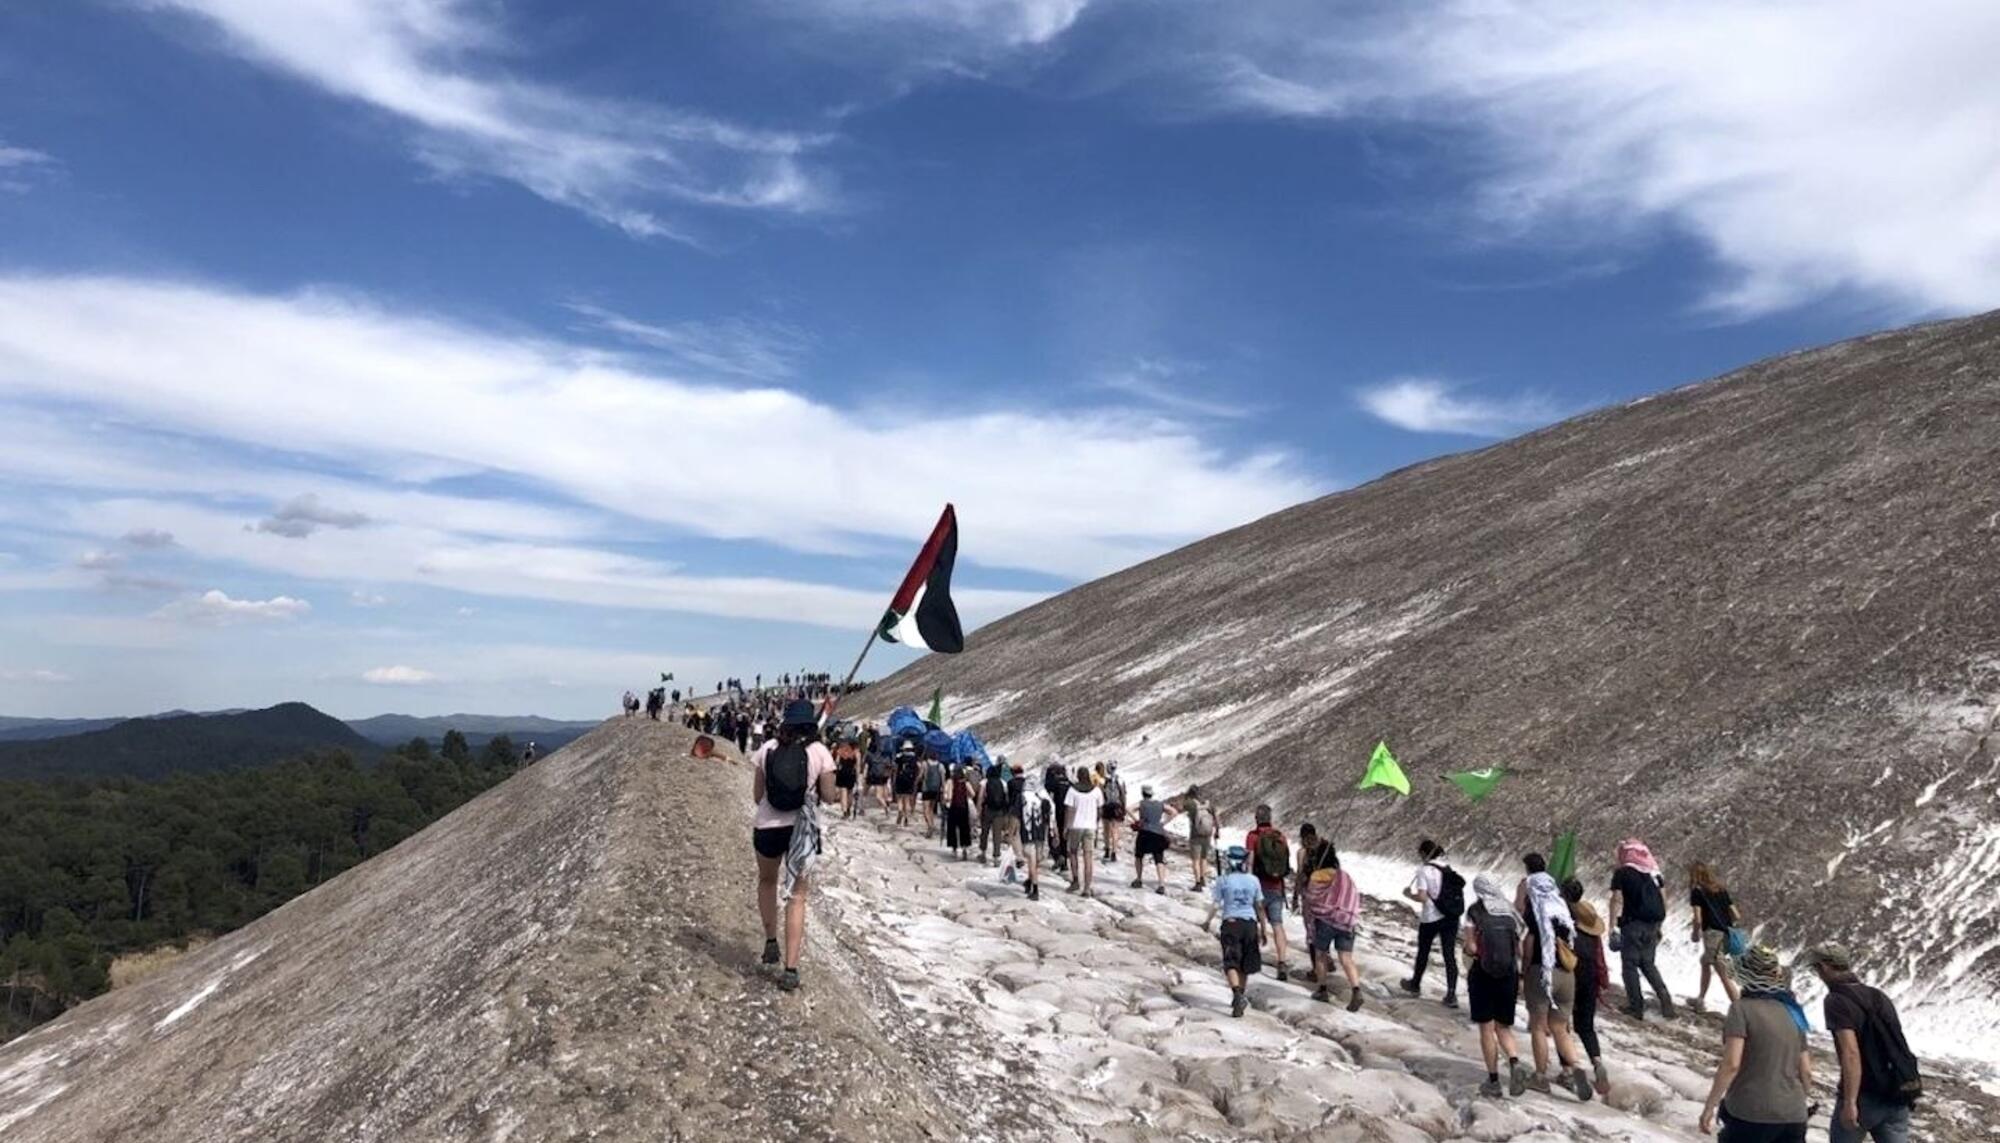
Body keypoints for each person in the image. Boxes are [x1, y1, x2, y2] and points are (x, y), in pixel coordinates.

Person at [750, 700, 839, 992]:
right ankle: (790, 968)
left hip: (767, 828)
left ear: (785, 723)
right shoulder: (819, 752)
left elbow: (757, 795)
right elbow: (828, 796)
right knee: (797, 897)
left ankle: (770, 941)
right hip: (802, 831)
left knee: (767, 881)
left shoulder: (767, 749)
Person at [1802, 943, 1921, 1143]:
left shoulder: (1835, 1000)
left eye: (1816, 969)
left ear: (1824, 967)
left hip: (1865, 1095)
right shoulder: (1878, 996)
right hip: (1897, 1091)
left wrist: (1850, 1102)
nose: (1818, 974)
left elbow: (1851, 1053)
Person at [1698, 944, 1811, 1141]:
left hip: (1750, 1113)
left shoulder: (1741, 1009)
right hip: (1793, 1115)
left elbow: (1731, 1064)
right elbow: (1806, 1071)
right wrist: (1799, 1103)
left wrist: (1709, 1106)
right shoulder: (1793, 1010)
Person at [1517, 854, 1594, 1101]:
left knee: (1539, 1027)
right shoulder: (1563, 911)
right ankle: (1576, 1067)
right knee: (1560, 1028)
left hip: (1543, 971)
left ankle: (1540, 1077)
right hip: (1567, 975)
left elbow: (1529, 942)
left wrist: (1525, 969)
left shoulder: (1536, 911)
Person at [1462, 874, 1530, 1098]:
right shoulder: (1510, 911)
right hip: (1508, 974)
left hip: (1483, 973)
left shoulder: (1475, 911)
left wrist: (1469, 949)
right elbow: (1519, 949)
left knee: (1486, 1028)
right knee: (1503, 1027)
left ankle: (1493, 1080)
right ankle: (1513, 1060)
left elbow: (1471, 947)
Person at [1608, 838, 1676, 1019]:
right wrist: (1660, 925)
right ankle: (1666, 1001)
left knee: (1629, 965)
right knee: (1648, 964)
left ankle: (1636, 1007)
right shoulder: (1654, 874)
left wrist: (1612, 926)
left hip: (1632, 924)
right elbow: (1663, 900)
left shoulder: (1623, 873)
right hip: (1653, 924)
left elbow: (1616, 899)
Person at [1562, 877, 1613, 1095]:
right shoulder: (1590, 925)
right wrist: (1602, 981)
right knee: (1586, 1026)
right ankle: (1597, 1062)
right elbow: (1600, 957)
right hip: (1590, 975)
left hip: (1570, 972)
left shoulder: (1564, 919)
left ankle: (1567, 1070)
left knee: (1561, 1023)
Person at [1202, 846, 1266, 1018]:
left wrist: (1207, 922)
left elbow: (1216, 904)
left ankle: (1236, 993)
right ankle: (1241, 995)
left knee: (1231, 962)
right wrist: (1264, 928)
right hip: (1250, 924)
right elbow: (1259, 906)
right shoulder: (1253, 880)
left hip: (1230, 923)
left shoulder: (1223, 880)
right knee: (1245, 964)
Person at [1299, 841, 1363, 1011]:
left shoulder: (1317, 875)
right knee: (1346, 958)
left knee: (1320, 954)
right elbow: (1353, 896)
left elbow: (1311, 898)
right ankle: (1356, 990)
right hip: (1346, 920)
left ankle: (1322, 989)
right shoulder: (1344, 876)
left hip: (1326, 920)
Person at [1401, 839, 1462, 1007]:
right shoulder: (1447, 867)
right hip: (1450, 916)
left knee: (1424, 951)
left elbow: (1422, 897)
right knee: (1449, 955)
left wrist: (1408, 895)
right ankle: (1451, 994)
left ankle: (1415, 984)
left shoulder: (1424, 870)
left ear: (1423, 854)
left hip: (1431, 916)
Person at [1244, 805, 1293, 981]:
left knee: (1255, 922)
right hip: (1277, 887)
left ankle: (1252, 957)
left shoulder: (1253, 837)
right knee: (1277, 925)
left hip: (1258, 886)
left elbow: (1249, 862)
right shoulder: (1280, 836)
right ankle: (1282, 962)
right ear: (1270, 818)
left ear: (1256, 818)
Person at [1691, 862, 1743, 1011]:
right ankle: (1700, 999)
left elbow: (1698, 919)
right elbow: (1736, 915)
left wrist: (1695, 933)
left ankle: (1740, 1009)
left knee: (1722, 972)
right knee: (1705, 962)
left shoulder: (1697, 892)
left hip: (1712, 934)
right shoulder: (1721, 890)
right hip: (1727, 934)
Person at [1064, 765, 1102, 898]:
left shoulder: (1072, 790)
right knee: (1088, 857)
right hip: (1090, 826)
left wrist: (1066, 827)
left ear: (1078, 776)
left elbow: (1069, 810)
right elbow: (1099, 810)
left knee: (1073, 852)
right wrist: (1096, 824)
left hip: (1076, 826)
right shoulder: (1096, 791)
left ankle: (1075, 881)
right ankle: (1087, 887)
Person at [1129, 784, 1173, 894]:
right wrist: (1163, 823)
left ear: (1143, 794)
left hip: (1144, 832)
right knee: (1159, 859)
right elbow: (1174, 812)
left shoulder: (1141, 803)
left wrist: (1137, 820)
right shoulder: (1160, 804)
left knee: (1139, 856)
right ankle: (1161, 884)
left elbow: (1128, 809)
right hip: (1158, 833)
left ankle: (1139, 879)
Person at [1014, 776, 1051, 900]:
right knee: (1036, 860)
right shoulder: (1042, 798)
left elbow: (1016, 816)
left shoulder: (1022, 797)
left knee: (1031, 859)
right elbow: (1048, 815)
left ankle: (1035, 888)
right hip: (1040, 833)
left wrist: (1012, 832)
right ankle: (1030, 881)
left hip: (1027, 832)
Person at [1290, 823, 1335, 914]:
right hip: (1327, 891)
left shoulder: (1302, 852)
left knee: (1312, 922)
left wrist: (1295, 898)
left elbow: (1300, 875)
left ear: (1303, 837)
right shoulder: (1326, 848)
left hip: (1309, 893)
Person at [1180, 784, 1217, 891]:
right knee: (1204, 858)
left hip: (1195, 834)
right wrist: (1217, 830)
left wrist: (1186, 797)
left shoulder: (1190, 803)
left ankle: (1197, 883)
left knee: (1195, 860)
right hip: (1207, 834)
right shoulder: (1208, 804)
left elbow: (1180, 808)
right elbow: (1216, 816)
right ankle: (1203, 879)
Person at [985, 758, 1020, 868]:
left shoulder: (986, 782)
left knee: (985, 832)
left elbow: (982, 796)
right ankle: (996, 857)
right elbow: (1006, 797)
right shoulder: (1004, 782)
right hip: (1000, 811)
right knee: (997, 835)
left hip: (988, 809)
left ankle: (982, 852)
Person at [1043, 760, 1072, 875]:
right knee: (1064, 837)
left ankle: (1056, 855)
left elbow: (1046, 795)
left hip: (1055, 811)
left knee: (1053, 835)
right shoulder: (1070, 784)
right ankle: (1064, 860)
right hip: (1067, 812)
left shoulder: (1052, 783)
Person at [944, 761, 976, 860]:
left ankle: (954, 848)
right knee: (964, 828)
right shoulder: (965, 782)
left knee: (952, 828)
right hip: (963, 807)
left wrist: (946, 800)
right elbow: (973, 794)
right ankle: (964, 847)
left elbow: (946, 795)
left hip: (953, 807)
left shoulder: (950, 781)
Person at [1100, 762, 1127, 863]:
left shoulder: (1104, 780)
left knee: (1106, 829)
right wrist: (1123, 808)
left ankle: (1107, 849)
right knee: (1115, 830)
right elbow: (1123, 794)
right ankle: (1114, 852)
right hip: (1117, 806)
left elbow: (1101, 793)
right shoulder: (1120, 780)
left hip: (1106, 806)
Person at [832, 732, 862, 819]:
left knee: (843, 792)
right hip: (851, 773)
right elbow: (858, 766)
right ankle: (849, 808)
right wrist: (857, 777)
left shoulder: (840, 750)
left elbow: (837, 762)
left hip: (842, 773)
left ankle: (844, 812)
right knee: (850, 793)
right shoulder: (856, 752)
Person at [919, 747, 946, 837]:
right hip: (936, 790)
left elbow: (921, 775)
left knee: (925, 810)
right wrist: (943, 790)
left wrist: (916, 782)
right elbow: (943, 780)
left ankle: (930, 826)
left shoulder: (924, 764)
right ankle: (931, 825)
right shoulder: (941, 765)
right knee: (931, 809)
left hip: (926, 789)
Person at [892, 743, 921, 826]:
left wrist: (894, 779)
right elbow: (918, 769)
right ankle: (906, 817)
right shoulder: (915, 758)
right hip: (910, 780)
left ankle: (900, 810)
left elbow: (896, 769)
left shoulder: (899, 757)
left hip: (900, 779)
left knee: (900, 798)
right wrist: (915, 780)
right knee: (907, 800)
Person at [865, 741, 894, 814]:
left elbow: (865, 765)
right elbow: (889, 765)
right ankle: (886, 802)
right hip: (882, 775)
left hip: (872, 775)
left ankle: (862, 807)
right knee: (881, 791)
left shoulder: (869, 755)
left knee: (867, 793)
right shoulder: (884, 755)